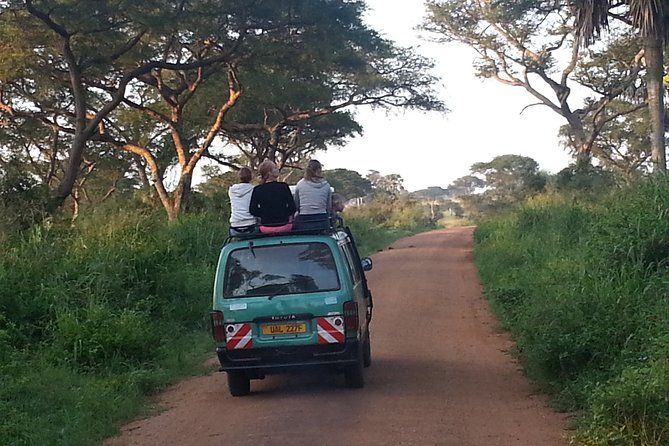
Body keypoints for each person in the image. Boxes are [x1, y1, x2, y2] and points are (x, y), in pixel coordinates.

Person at [249, 160, 296, 233]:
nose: (277, 169)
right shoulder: (283, 187)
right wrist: (283, 213)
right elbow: (293, 208)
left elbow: (252, 210)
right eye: (275, 168)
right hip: (284, 225)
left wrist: (264, 214)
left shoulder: (257, 189)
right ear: (269, 173)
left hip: (265, 227)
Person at [294, 159, 332, 230]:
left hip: (304, 219)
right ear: (320, 170)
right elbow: (328, 206)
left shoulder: (300, 184)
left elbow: (297, 204)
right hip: (322, 218)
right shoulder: (326, 185)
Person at [228, 167, 256, 235]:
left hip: (235, 227)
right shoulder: (254, 189)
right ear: (250, 177)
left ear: (239, 177)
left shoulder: (231, 190)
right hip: (251, 227)